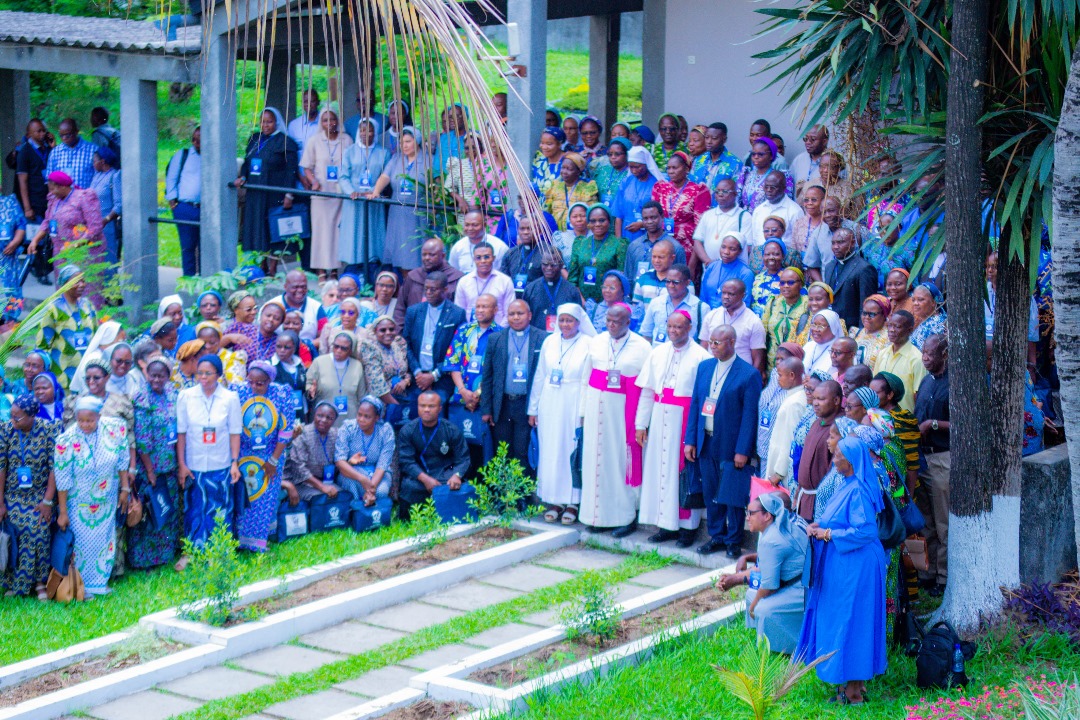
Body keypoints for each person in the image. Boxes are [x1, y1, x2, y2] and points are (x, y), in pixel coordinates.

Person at [797, 435, 888, 705]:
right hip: (846, 565)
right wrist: (818, 527)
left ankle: (854, 690)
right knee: (844, 620)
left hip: (856, 567)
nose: (833, 458)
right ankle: (849, 682)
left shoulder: (858, 489)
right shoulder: (848, 484)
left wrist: (826, 533)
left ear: (850, 460)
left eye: (837, 455)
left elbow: (866, 531)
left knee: (853, 621)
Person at [634, 310, 710, 546]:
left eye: (679, 327)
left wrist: (698, 434)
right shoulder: (657, 352)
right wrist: (640, 424)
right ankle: (664, 525)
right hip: (659, 415)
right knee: (659, 471)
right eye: (670, 327)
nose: (673, 331)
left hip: (684, 419)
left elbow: (702, 397)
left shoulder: (701, 356)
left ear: (689, 328)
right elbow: (647, 390)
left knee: (682, 472)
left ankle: (687, 529)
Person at [685, 325, 762, 556]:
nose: (712, 346)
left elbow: (750, 416)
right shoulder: (705, 367)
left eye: (717, 342)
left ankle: (733, 540)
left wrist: (743, 451)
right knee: (711, 492)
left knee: (732, 494)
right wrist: (690, 440)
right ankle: (716, 536)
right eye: (710, 341)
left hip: (731, 444)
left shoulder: (748, 374)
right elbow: (696, 404)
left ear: (731, 342)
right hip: (706, 440)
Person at [578, 303, 652, 534]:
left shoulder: (642, 347)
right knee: (595, 462)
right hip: (595, 410)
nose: (610, 325)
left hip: (622, 415)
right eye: (608, 321)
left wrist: (641, 422)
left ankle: (624, 517)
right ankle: (596, 517)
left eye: (616, 322)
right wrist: (582, 414)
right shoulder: (597, 341)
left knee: (620, 463)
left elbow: (647, 387)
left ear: (628, 322)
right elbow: (585, 378)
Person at [53, 395, 130, 598]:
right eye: (81, 420)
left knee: (104, 542)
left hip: (106, 499)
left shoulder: (114, 429)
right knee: (81, 545)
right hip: (79, 502)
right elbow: (62, 478)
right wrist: (62, 511)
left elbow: (123, 458)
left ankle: (99, 584)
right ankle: (80, 585)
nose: (85, 424)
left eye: (90, 420)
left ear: (99, 415)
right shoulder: (66, 440)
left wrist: (125, 488)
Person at [528, 304, 595, 524]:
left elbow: (587, 381)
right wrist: (533, 408)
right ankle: (554, 500)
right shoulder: (549, 341)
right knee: (551, 449)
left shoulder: (588, 343)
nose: (565, 325)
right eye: (562, 320)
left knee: (570, 448)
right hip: (550, 401)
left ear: (579, 322)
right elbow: (540, 375)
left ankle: (573, 502)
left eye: (570, 321)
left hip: (573, 400)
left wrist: (584, 411)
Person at [716, 492, 807, 653]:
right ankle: (761, 638)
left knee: (762, 608)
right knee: (752, 594)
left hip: (803, 588)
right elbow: (766, 567)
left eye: (751, 513)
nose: (747, 517)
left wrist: (753, 606)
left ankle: (785, 649)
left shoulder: (772, 539)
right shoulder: (781, 525)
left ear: (767, 516)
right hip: (793, 583)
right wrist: (736, 578)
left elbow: (769, 586)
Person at [176, 356, 242, 550]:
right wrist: (182, 464)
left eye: (208, 373)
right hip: (193, 464)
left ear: (219, 375)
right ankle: (192, 552)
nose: (203, 377)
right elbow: (181, 433)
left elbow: (235, 432)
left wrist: (234, 462)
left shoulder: (230, 398)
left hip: (220, 463)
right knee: (194, 508)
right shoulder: (186, 396)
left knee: (220, 508)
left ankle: (219, 551)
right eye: (200, 373)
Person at [0, 395, 60, 600]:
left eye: (18, 417)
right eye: (12, 416)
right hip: (13, 495)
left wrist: (47, 501)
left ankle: (40, 582)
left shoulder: (48, 430)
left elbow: (54, 467)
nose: (13, 420)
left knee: (38, 529)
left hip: (39, 496)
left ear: (32, 416)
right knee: (13, 530)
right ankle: (15, 582)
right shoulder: (6, 430)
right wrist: (0, 503)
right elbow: (1, 467)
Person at [128, 357, 182, 570]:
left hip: (170, 465)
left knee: (165, 510)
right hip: (149, 468)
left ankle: (163, 555)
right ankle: (144, 560)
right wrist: (150, 471)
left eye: (161, 375)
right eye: (153, 375)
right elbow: (142, 440)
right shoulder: (142, 398)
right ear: (146, 375)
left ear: (168, 376)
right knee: (150, 511)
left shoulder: (173, 395)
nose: (156, 379)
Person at [481, 300, 547, 471]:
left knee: (522, 450)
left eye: (520, 313)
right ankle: (503, 492)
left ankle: (521, 494)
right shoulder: (496, 339)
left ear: (530, 315)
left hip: (526, 405)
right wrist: (487, 409)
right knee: (502, 450)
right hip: (502, 405)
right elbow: (487, 376)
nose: (516, 317)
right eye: (512, 314)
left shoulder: (543, 338)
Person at [235, 108, 301, 262]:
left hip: (273, 194)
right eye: (263, 122)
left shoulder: (285, 142)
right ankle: (260, 264)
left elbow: (291, 171)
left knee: (271, 229)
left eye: (269, 122)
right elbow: (246, 162)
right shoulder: (254, 139)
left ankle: (272, 267)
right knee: (257, 229)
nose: (266, 125)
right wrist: (243, 176)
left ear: (276, 123)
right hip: (256, 193)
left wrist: (289, 194)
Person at [443, 294, 501, 467]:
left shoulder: (500, 334)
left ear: (496, 310)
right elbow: (452, 362)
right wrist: (463, 391)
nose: (480, 310)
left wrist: (477, 394)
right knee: (460, 446)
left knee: (483, 449)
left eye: (485, 306)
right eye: (478, 306)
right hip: (460, 398)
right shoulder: (463, 330)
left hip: (484, 402)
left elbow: (497, 371)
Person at [25, 173, 106, 295]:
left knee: (85, 291)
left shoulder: (84, 197)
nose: (51, 192)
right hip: (61, 253)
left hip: (84, 253)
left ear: (63, 186)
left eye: (53, 189)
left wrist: (75, 245)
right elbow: (48, 221)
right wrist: (35, 240)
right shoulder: (54, 200)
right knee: (65, 291)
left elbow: (95, 226)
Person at [914, 334, 950, 596]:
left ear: (944, 354)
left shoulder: (955, 383)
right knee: (924, 521)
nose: (925, 357)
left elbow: (965, 422)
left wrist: (934, 424)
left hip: (942, 458)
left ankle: (944, 577)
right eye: (923, 353)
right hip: (922, 458)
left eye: (930, 353)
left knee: (943, 522)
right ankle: (926, 573)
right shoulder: (926, 381)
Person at [397, 391, 469, 518]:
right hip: (420, 474)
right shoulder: (407, 431)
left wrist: (456, 475)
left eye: (431, 406)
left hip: (445, 473)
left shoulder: (451, 430)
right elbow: (406, 461)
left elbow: (463, 459)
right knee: (409, 487)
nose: (426, 410)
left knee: (456, 486)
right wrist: (425, 479)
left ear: (440, 408)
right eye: (422, 406)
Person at [301, 105, 353, 282]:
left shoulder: (346, 140)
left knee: (337, 232)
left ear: (338, 121)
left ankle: (334, 271)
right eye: (325, 120)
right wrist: (313, 181)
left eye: (332, 119)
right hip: (321, 193)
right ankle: (321, 270)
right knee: (321, 232)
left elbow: (352, 164)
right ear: (321, 123)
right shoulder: (314, 140)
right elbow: (307, 167)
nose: (329, 123)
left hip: (340, 194)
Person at [368, 126, 430, 271]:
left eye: (408, 141)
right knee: (399, 248)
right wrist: (376, 191)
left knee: (415, 248)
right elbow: (385, 176)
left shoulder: (428, 160)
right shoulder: (396, 158)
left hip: (417, 211)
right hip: (398, 210)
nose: (404, 145)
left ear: (417, 141)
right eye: (402, 142)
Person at [402, 271, 468, 402]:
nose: (428, 293)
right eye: (426, 289)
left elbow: (457, 351)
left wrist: (434, 375)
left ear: (445, 289)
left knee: (436, 406)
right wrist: (417, 373)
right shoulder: (414, 311)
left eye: (433, 289)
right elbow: (406, 345)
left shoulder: (456, 314)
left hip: (442, 378)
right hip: (417, 377)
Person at [339, 117, 390, 273]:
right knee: (354, 232)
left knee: (372, 232)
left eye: (369, 130)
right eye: (362, 130)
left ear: (375, 132)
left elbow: (385, 175)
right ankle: (355, 265)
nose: (365, 133)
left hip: (372, 198)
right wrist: (351, 191)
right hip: (354, 200)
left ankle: (372, 264)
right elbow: (343, 176)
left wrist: (374, 190)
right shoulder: (349, 151)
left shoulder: (383, 153)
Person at [35, 265, 98, 390]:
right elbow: (42, 345)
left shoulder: (88, 306)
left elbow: (96, 336)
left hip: (87, 377)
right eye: (76, 281)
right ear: (64, 284)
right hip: (62, 377)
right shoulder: (53, 309)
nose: (81, 285)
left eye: (83, 281)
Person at [651, 152, 711, 270]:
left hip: (687, 248)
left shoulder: (698, 190)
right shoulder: (661, 188)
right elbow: (653, 217)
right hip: (663, 245)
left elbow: (700, 229)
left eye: (675, 167)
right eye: (668, 168)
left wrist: (693, 263)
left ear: (686, 169)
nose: (670, 171)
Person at [307, 332, 379, 428]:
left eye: (343, 348)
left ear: (351, 350)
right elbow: (309, 385)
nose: (338, 350)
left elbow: (361, 396)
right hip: (324, 421)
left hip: (350, 420)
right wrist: (311, 391)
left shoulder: (357, 365)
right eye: (336, 346)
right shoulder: (319, 362)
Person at [699, 279, 767, 379]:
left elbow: (758, 358)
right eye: (724, 293)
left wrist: (751, 380)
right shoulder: (712, 316)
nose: (726, 297)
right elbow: (703, 347)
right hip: (712, 373)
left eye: (731, 294)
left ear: (743, 295)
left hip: (739, 377)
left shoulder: (753, 321)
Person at [796, 379, 843, 521]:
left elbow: (834, 471)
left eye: (821, 399)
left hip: (821, 504)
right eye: (814, 398)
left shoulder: (839, 428)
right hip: (805, 499)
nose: (815, 403)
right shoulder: (817, 422)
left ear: (836, 400)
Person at [335, 396, 395, 505]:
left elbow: (383, 464)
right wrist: (362, 479)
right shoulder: (348, 428)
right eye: (359, 415)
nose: (361, 420)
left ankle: (374, 515)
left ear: (377, 417)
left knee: (381, 492)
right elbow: (340, 461)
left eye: (367, 417)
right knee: (351, 486)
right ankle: (355, 512)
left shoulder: (385, 431)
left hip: (377, 473)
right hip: (352, 471)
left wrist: (371, 489)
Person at [395, 238, 464, 330]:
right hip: (413, 332)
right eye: (424, 255)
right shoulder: (413, 276)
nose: (427, 258)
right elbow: (400, 308)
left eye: (432, 255)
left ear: (443, 256)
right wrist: (400, 333)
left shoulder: (457, 278)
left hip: (445, 332)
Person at [568, 204, 628, 304]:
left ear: (609, 222)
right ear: (588, 223)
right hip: (581, 301)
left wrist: (605, 305)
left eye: (601, 220)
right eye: (593, 221)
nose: (597, 224)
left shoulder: (619, 244)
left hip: (608, 303)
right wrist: (582, 302)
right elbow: (573, 278)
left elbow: (621, 277)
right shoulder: (580, 243)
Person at [15, 119, 52, 283]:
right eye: (38, 131)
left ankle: (44, 268)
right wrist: (27, 207)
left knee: (49, 237)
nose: (42, 134)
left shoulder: (47, 149)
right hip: (34, 202)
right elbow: (22, 180)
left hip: (48, 200)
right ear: (29, 133)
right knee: (36, 239)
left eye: (43, 130)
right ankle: (39, 272)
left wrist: (52, 145)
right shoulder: (25, 151)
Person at [282, 402, 341, 503]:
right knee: (323, 499)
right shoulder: (303, 434)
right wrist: (322, 487)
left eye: (329, 418)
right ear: (314, 415)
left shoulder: (336, 434)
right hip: (302, 483)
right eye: (320, 415)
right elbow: (299, 468)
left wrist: (350, 462)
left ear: (334, 420)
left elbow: (341, 459)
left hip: (327, 481)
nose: (323, 420)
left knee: (342, 496)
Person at [764, 357, 808, 491]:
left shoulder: (795, 403)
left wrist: (779, 472)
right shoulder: (792, 397)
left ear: (792, 375)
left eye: (780, 375)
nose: (778, 378)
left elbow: (791, 440)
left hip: (783, 473)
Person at [872, 310, 927, 414]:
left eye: (897, 327)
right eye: (889, 326)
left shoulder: (917, 359)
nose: (891, 330)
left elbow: (919, 396)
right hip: (881, 417)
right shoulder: (882, 354)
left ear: (910, 330)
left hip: (904, 421)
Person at [165, 127, 202, 276]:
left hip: (205, 209)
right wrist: (173, 202)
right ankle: (189, 280)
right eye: (194, 139)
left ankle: (205, 282)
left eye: (200, 140)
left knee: (205, 247)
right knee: (188, 246)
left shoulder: (213, 156)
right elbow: (171, 178)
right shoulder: (183, 155)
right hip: (185, 208)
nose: (196, 143)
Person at [639, 263, 704, 344]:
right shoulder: (656, 303)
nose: (671, 285)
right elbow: (646, 334)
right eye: (668, 281)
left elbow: (704, 340)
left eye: (675, 282)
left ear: (687, 283)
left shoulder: (701, 308)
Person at [624, 202, 686, 286]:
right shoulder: (634, 246)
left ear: (662, 217)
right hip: (637, 297)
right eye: (645, 218)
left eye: (653, 217)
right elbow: (628, 278)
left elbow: (682, 280)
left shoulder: (675, 247)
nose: (649, 222)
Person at [827, 228, 878, 329]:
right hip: (831, 327)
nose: (836, 247)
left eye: (840, 242)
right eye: (833, 243)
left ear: (852, 243)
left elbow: (866, 306)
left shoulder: (864, 268)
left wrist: (861, 334)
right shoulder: (830, 266)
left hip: (851, 329)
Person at [454, 243, 516, 326]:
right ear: (474, 259)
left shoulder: (505, 281)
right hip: (469, 333)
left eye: (487, 257)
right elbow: (459, 312)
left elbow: (510, 312)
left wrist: (498, 333)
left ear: (493, 258)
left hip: (498, 333)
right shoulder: (464, 281)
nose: (483, 261)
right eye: (478, 258)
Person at [693, 179, 751, 267]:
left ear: (735, 194)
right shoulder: (708, 214)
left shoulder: (744, 216)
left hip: (732, 269)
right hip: (709, 268)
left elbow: (747, 247)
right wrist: (709, 262)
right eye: (717, 191)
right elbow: (697, 241)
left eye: (725, 191)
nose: (720, 194)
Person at [761, 267, 808, 371]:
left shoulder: (807, 305)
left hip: (795, 365)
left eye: (791, 282)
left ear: (800, 284)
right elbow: (762, 334)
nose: (786, 286)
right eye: (782, 283)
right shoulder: (773, 302)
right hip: (771, 364)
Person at [611, 146, 661, 242]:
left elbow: (661, 215)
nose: (634, 170)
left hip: (648, 233)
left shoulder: (656, 184)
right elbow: (618, 215)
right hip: (626, 233)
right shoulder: (626, 182)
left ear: (646, 164)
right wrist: (618, 241)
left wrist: (642, 224)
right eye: (631, 167)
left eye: (637, 167)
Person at [750, 171, 804, 253]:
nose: (769, 190)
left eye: (773, 187)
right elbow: (755, 240)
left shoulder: (795, 211)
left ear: (784, 188)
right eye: (766, 187)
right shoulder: (758, 210)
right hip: (760, 259)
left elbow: (799, 244)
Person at [699, 234, 756, 310]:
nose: (726, 252)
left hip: (732, 317)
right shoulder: (712, 267)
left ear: (740, 251)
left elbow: (745, 303)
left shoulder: (745, 273)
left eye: (732, 249)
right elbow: (703, 295)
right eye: (723, 247)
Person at [861, 207, 914, 287]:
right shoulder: (871, 247)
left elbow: (915, 283)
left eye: (889, 228)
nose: (885, 232)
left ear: (898, 227)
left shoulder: (909, 251)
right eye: (881, 228)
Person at [737, 138, 792, 212]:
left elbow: (785, 205)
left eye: (760, 154)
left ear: (771, 156)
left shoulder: (778, 178)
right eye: (753, 154)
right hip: (745, 220)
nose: (756, 157)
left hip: (767, 219)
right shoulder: (746, 174)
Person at [88, 147, 122, 267]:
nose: (93, 164)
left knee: (107, 259)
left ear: (102, 161)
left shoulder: (115, 176)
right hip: (93, 223)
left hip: (107, 225)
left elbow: (119, 205)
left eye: (94, 161)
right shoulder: (97, 176)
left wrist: (106, 219)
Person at [449, 209, 510, 274]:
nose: (470, 228)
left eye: (475, 225)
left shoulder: (499, 247)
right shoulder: (458, 247)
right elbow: (453, 272)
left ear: (484, 225)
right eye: (467, 225)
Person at [272, 270, 323, 341]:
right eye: (295, 287)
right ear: (285, 287)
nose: (300, 290)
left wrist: (304, 347)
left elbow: (324, 337)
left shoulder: (317, 308)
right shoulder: (271, 307)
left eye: (303, 287)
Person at [45, 118, 96, 189]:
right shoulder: (55, 152)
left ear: (76, 132)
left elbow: (98, 178)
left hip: (85, 198)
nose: (64, 138)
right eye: (61, 135)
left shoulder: (92, 150)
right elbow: (49, 179)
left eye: (67, 135)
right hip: (62, 199)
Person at [792, 185, 829, 279]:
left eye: (814, 200)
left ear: (824, 201)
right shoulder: (799, 223)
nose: (809, 203)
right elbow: (794, 250)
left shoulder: (829, 224)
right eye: (806, 200)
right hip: (800, 275)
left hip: (821, 274)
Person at [691, 123, 742, 190]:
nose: (709, 141)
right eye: (707, 137)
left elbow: (737, 192)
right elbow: (690, 186)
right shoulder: (699, 160)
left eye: (714, 138)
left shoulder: (735, 164)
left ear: (724, 139)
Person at [500, 215, 545, 291]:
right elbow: (503, 280)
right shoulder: (510, 254)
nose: (525, 232)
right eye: (522, 229)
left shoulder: (548, 253)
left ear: (539, 231)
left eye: (530, 229)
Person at [632, 238, 680, 306]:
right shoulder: (643, 279)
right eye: (654, 257)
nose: (656, 261)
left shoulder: (682, 281)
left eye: (661, 257)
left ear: (672, 258)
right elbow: (636, 308)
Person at [750, 239, 787, 316]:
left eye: (776, 254)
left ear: (783, 256)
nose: (771, 257)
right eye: (767, 254)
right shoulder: (757, 278)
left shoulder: (790, 277)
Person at [852, 295, 891, 367]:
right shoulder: (855, 333)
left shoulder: (890, 338)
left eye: (872, 314)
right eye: (864, 313)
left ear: (884, 315)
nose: (867, 317)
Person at [803, 310, 843, 376]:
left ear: (833, 328)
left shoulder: (842, 352)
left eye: (821, 326)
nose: (815, 329)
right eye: (814, 325)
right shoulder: (808, 346)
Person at [911, 282, 948, 350]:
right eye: (913, 300)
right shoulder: (926, 321)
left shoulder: (937, 326)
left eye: (920, 299)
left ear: (933, 302)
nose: (915, 303)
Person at [789, 125, 828, 189]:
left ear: (824, 141)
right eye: (806, 139)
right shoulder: (799, 160)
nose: (808, 142)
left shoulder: (834, 162)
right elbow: (790, 185)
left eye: (813, 139)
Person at [592, 137, 628, 206]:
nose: (613, 157)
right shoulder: (602, 170)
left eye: (617, 154)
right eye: (610, 154)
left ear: (626, 154)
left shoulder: (630, 174)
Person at [531, 127, 566, 196]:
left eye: (549, 144)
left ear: (559, 144)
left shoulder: (567, 163)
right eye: (542, 143)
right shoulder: (539, 162)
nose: (544, 147)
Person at [222, 291, 258, 358]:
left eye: (255, 308)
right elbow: (213, 348)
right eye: (249, 309)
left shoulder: (258, 326)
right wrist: (229, 338)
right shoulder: (225, 327)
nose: (253, 312)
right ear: (236, 310)